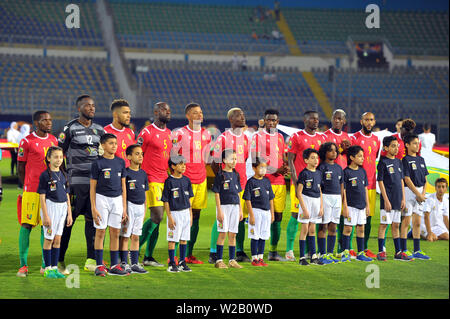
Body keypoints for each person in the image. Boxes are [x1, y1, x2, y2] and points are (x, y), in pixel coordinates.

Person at [58, 95, 105, 273]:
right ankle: (59, 259)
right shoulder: (69, 128)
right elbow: (58, 153)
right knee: (68, 221)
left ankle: (91, 260)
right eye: (87, 106)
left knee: (92, 221)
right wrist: (66, 176)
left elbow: (102, 156)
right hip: (75, 183)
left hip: (94, 184)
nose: (92, 108)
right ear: (79, 108)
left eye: (93, 105)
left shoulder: (99, 130)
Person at [16, 111, 58, 278]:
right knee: (26, 225)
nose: (49, 123)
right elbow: (20, 167)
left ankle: (44, 264)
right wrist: (27, 186)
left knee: (46, 227)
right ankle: (23, 265)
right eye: (45, 120)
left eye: (50, 120)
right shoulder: (27, 141)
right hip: (32, 191)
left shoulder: (53, 140)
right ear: (36, 123)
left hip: (50, 191)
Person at [208, 108, 250, 264]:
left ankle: (238, 251)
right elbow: (214, 162)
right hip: (227, 184)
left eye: (243, 115)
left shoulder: (245, 138)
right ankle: (213, 252)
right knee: (222, 217)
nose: (243, 117)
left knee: (240, 217)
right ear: (231, 119)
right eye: (239, 116)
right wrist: (222, 178)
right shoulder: (223, 138)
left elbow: (244, 160)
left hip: (241, 183)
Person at [172, 103, 212, 264]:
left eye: (201, 112)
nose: (199, 115)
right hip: (184, 181)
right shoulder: (180, 133)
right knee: (180, 216)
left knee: (196, 217)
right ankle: (173, 253)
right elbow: (173, 157)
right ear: (188, 116)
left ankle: (188, 254)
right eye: (195, 113)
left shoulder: (207, 134)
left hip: (201, 180)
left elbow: (207, 158)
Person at [285, 110, 326, 261]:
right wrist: (295, 182)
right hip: (300, 183)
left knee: (313, 219)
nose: (315, 121)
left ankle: (310, 251)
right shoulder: (296, 137)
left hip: (315, 183)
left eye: (317, 118)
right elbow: (290, 160)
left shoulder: (322, 137)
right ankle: (289, 250)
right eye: (312, 119)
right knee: (297, 215)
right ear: (305, 120)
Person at [137, 102, 172, 267]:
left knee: (158, 219)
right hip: (151, 179)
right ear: (156, 112)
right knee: (157, 216)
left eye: (169, 110)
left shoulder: (169, 133)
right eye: (165, 109)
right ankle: (134, 250)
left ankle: (148, 257)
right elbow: (137, 154)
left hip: (164, 179)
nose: (168, 112)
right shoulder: (147, 132)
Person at [251, 109, 289, 261]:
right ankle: (256, 252)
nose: (271, 122)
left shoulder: (280, 137)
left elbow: (282, 156)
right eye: (269, 120)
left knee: (278, 216)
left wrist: (284, 167)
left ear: (277, 122)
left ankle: (273, 252)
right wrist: (275, 169)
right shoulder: (258, 136)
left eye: (274, 120)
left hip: (279, 182)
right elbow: (255, 159)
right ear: (264, 121)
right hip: (264, 182)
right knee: (261, 217)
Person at [90, 133, 128, 277]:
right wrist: (93, 207)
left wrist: (124, 207)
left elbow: (123, 186)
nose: (114, 146)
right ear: (103, 145)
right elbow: (92, 187)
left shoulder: (120, 162)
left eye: (115, 143)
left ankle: (114, 265)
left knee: (115, 232)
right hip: (101, 199)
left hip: (117, 200)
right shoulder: (97, 163)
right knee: (100, 232)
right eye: (111, 143)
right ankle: (99, 265)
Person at [346, 112, 380, 259]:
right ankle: (348, 248)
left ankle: (364, 248)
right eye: (366, 120)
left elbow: (375, 157)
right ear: (361, 121)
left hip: (370, 183)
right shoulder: (354, 138)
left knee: (368, 217)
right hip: (354, 183)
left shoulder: (376, 140)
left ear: (374, 121)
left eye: (371, 120)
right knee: (350, 216)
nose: (369, 122)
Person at [38, 146, 73, 278]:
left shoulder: (64, 175)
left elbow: (67, 195)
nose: (59, 160)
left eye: (60, 157)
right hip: (50, 207)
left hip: (63, 208)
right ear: (48, 158)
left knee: (58, 239)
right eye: (55, 157)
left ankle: (54, 268)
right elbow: (42, 196)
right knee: (49, 239)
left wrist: (69, 213)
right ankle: (47, 268)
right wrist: (45, 216)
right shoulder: (45, 175)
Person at [376, 136, 411, 261]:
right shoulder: (383, 162)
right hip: (388, 200)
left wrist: (403, 199)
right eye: (393, 146)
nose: (396, 148)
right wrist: (385, 200)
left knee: (396, 225)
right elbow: (380, 182)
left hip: (398, 199)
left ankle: (398, 252)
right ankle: (381, 252)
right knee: (384, 224)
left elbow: (401, 181)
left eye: (397, 146)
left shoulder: (399, 162)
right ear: (386, 148)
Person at [118, 144, 149, 274]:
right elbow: (122, 193)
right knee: (125, 236)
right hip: (129, 206)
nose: (140, 156)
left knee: (136, 236)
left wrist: (145, 210)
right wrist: (123, 210)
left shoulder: (143, 173)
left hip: (140, 207)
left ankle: (135, 263)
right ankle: (123, 262)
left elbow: (145, 193)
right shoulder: (125, 173)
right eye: (137, 154)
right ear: (129, 156)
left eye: (141, 154)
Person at [162, 155, 194, 273]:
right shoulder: (169, 181)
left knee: (184, 238)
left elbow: (190, 198)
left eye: (184, 164)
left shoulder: (186, 180)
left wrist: (190, 214)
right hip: (174, 213)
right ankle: (171, 263)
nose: (183, 166)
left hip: (186, 213)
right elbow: (165, 200)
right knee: (173, 239)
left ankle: (182, 262)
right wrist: (169, 216)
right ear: (173, 166)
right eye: (180, 164)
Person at [213, 149, 244, 269]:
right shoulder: (220, 175)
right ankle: (219, 260)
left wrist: (240, 209)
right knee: (222, 233)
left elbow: (238, 193)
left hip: (235, 207)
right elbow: (216, 193)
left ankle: (232, 260)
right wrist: (219, 210)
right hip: (224, 207)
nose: (234, 161)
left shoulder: (236, 174)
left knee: (233, 234)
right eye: (232, 159)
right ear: (225, 160)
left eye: (236, 159)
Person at [341, 145, 373, 262]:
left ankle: (360, 253)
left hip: (362, 206)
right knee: (348, 229)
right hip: (350, 205)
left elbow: (365, 189)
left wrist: (367, 206)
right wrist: (345, 206)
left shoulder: (362, 171)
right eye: (359, 156)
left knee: (361, 229)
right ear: (352, 157)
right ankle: (345, 252)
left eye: (363, 156)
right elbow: (343, 191)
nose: (362, 158)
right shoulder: (346, 172)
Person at [401, 134, 430, 260]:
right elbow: (406, 179)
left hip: (420, 193)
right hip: (409, 191)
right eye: (414, 143)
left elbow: (425, 179)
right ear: (407, 145)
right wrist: (417, 194)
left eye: (418, 143)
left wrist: (423, 193)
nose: (417, 145)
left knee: (417, 222)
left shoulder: (421, 159)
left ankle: (417, 250)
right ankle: (404, 249)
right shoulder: (405, 160)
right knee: (406, 221)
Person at [243, 157, 275, 266]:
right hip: (255, 212)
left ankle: (261, 257)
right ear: (254, 168)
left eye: (265, 168)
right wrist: (251, 215)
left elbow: (271, 198)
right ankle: (254, 258)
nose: (263, 170)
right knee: (255, 235)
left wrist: (272, 213)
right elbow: (247, 199)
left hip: (266, 212)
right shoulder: (251, 182)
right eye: (261, 167)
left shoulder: (267, 181)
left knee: (263, 235)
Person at [296, 149, 324, 266]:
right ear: (306, 160)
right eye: (312, 158)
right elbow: (299, 192)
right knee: (305, 229)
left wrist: (321, 207)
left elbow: (320, 190)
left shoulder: (318, 173)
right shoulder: (304, 173)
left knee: (313, 229)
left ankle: (313, 256)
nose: (315, 160)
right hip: (306, 201)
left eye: (316, 158)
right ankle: (302, 257)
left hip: (316, 201)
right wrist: (304, 208)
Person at [317, 142, 344, 264]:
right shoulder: (322, 167)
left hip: (337, 198)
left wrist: (343, 201)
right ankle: (322, 254)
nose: (334, 152)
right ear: (325, 152)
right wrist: (320, 202)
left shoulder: (339, 168)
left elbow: (342, 185)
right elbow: (318, 186)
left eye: (335, 150)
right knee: (324, 226)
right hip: (326, 197)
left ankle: (329, 253)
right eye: (331, 150)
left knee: (333, 226)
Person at [104, 99, 136, 167]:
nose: (129, 116)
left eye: (129, 113)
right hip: (115, 174)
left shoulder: (130, 132)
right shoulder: (105, 132)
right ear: (115, 114)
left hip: (130, 175)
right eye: (125, 113)